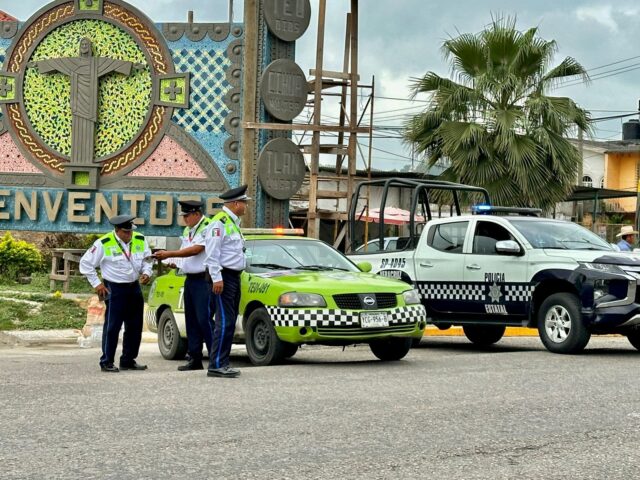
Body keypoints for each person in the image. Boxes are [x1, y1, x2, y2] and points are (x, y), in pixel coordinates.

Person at [79, 214, 153, 373]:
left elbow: (147, 260)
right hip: (114, 288)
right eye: (126, 232)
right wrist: (97, 284)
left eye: (130, 231)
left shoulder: (139, 239)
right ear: (117, 230)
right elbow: (85, 264)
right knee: (113, 326)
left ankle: (128, 359)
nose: (129, 235)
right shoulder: (104, 243)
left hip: (134, 287)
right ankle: (106, 361)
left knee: (134, 325)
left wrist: (146, 273)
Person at [154, 200, 213, 371]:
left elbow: (196, 250)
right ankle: (195, 358)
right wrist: (174, 262)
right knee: (192, 320)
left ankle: (216, 357)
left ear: (196, 214)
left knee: (205, 319)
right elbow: (185, 254)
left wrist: (169, 254)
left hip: (204, 279)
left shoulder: (207, 227)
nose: (184, 219)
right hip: (191, 279)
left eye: (187, 216)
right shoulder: (188, 230)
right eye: (183, 216)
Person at [204, 185, 249, 378]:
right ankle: (216, 365)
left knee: (229, 321)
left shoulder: (233, 222)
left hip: (233, 277)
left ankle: (222, 362)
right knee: (224, 322)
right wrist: (217, 278)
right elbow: (212, 255)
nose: (246, 206)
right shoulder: (219, 223)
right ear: (236, 203)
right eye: (244, 203)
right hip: (223, 277)